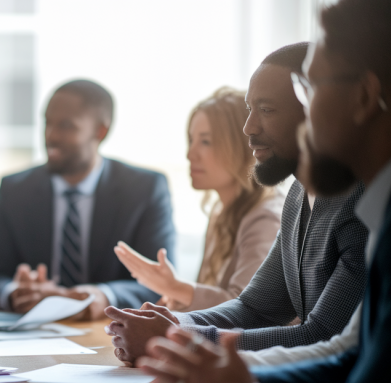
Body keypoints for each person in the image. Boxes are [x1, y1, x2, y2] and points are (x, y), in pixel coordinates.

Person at [139, 0, 391, 383]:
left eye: (311, 86)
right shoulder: (378, 202)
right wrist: (191, 346)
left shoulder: (387, 213)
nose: (249, 130)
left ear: (365, 97)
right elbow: (350, 357)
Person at [106, 42, 369, 362]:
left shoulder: (360, 205)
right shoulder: (297, 197)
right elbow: (255, 308)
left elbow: (324, 335)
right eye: (249, 109)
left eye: (267, 110)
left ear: (313, 109)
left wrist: (179, 338)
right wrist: (174, 323)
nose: (249, 127)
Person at [0, 79, 176, 320]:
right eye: (47, 123)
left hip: (106, 335)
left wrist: (100, 295)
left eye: (66, 126)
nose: (51, 136)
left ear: (100, 132)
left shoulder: (144, 189)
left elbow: (160, 283)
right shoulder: (15, 189)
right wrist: (17, 292)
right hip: (32, 333)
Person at [115, 87, 283, 312]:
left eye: (205, 142)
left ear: (241, 146)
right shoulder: (221, 211)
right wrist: (174, 302)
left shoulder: (265, 218)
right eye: (192, 140)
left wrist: (175, 288)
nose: (190, 154)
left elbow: (248, 311)